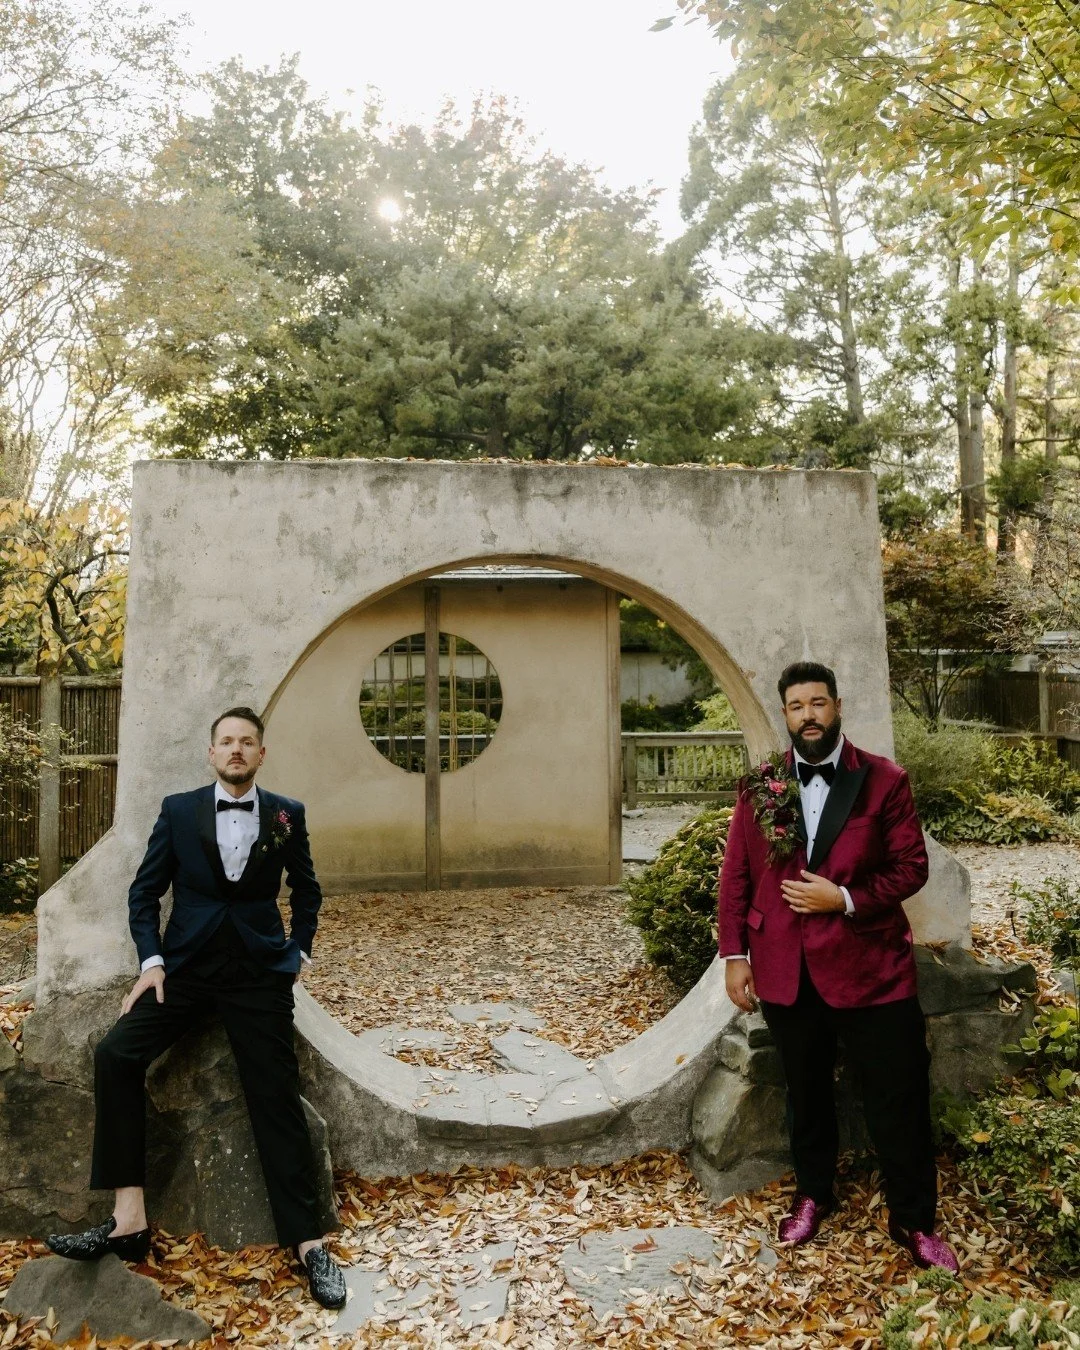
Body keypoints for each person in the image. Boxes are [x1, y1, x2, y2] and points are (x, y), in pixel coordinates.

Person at [47, 706, 347, 1309]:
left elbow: (308, 889)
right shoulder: (178, 810)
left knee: (275, 1096)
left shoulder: (288, 813)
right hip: (183, 971)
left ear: (261, 754)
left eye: (247, 743)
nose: (236, 751)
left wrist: (301, 951)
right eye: (227, 742)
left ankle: (310, 1245)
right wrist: (152, 962)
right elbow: (144, 891)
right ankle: (127, 1220)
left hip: (259, 976)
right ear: (211, 754)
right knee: (116, 1055)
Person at [719, 662, 958, 1272]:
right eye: (796, 706)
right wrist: (734, 956)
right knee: (807, 1094)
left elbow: (911, 868)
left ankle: (914, 1220)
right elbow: (738, 877)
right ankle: (812, 1195)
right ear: (786, 715)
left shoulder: (884, 780)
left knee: (898, 1096)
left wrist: (844, 898)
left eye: (818, 703)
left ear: (837, 706)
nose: (809, 716)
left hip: (872, 970)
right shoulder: (760, 786)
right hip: (787, 971)